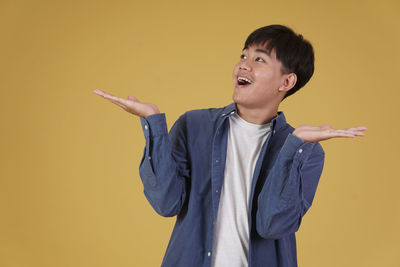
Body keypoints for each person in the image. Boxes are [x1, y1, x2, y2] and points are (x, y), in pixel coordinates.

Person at [93, 25, 366, 267]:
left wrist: (293, 148)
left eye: (259, 59)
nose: (244, 65)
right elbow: (166, 203)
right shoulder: (194, 125)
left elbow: (273, 225)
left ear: (287, 81)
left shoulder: (308, 151)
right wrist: (153, 123)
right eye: (243, 55)